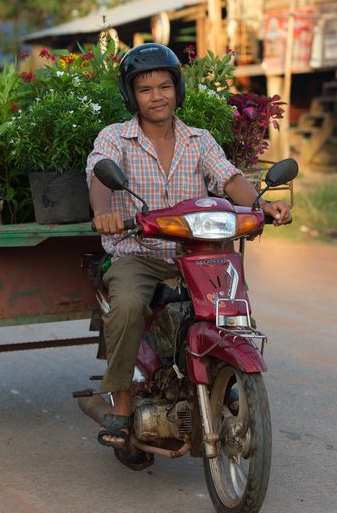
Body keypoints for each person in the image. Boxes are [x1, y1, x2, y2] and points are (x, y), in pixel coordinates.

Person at [86, 43, 292, 449]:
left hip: (195, 255)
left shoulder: (198, 140)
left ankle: (220, 372)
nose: (157, 96)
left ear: (177, 89)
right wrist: (104, 212)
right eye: (145, 89)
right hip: (138, 254)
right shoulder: (116, 138)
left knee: (228, 301)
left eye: (164, 86)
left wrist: (259, 205)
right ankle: (123, 403)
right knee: (127, 304)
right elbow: (98, 174)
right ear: (132, 96)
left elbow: (229, 178)